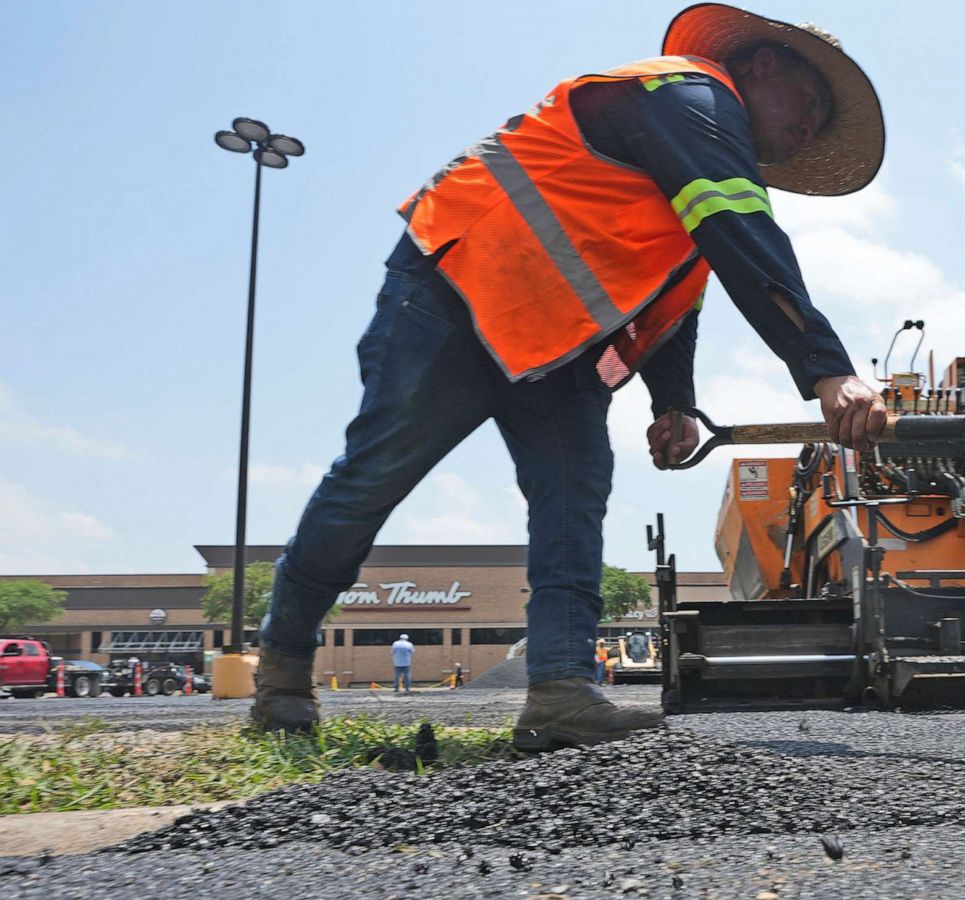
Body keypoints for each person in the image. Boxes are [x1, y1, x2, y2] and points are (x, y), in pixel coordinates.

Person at [250, 3, 889, 750]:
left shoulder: (710, 154)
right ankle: (283, 670)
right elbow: (738, 238)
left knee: (573, 503)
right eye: (809, 106)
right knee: (373, 477)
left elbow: (679, 290)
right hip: (457, 293)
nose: (809, 129)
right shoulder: (686, 93)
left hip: (555, 351)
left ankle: (560, 691)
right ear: (763, 66)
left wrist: (674, 400)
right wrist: (827, 370)